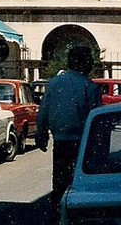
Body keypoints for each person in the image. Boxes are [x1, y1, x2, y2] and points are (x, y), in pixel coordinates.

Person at [35, 44, 101, 204]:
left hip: (60, 141)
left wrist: (41, 134)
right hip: (82, 143)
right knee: (80, 181)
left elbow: (43, 112)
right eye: (90, 60)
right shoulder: (90, 87)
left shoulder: (54, 83)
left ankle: (58, 210)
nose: (92, 64)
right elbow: (97, 119)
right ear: (84, 63)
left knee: (59, 180)